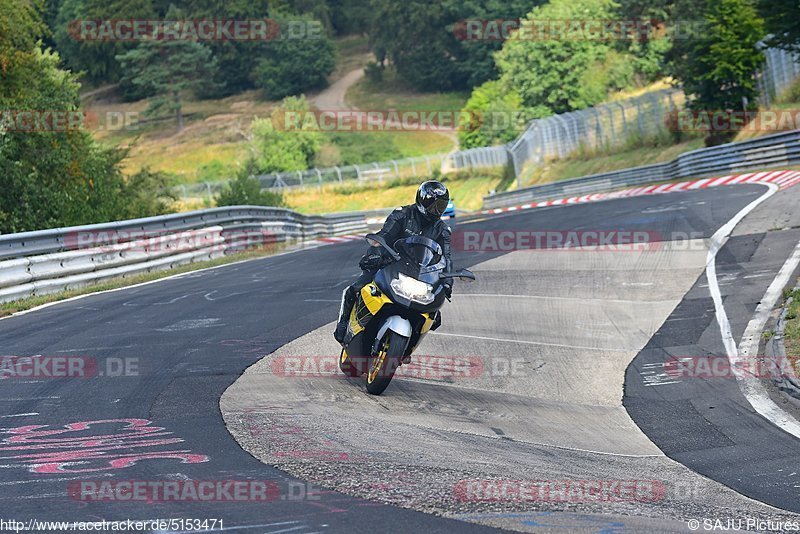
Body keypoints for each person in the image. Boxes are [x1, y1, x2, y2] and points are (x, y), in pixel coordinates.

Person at [334, 180, 453, 345]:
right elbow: (383, 236)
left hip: (419, 274)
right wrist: (374, 254)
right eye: (432, 205)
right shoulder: (402, 214)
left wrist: (447, 281)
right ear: (422, 200)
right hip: (389, 263)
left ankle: (408, 346)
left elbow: (446, 258)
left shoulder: (442, 230)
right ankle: (343, 324)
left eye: (440, 206)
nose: (436, 210)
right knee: (356, 288)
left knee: (433, 315)